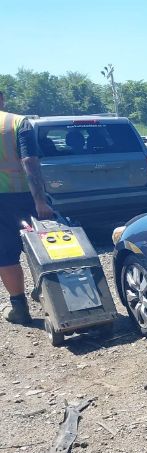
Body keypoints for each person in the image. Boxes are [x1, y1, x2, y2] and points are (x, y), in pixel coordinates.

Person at [0, 90, 54, 324]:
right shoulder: (17, 122)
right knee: (46, 248)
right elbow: (29, 161)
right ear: (2, 99)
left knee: (5, 255)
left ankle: (19, 308)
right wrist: (40, 201)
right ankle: (50, 294)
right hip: (25, 198)